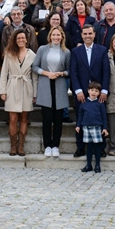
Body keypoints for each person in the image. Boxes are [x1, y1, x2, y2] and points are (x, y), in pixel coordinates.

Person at [70, 24, 110, 157]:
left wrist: (104, 90)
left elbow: (106, 72)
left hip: (98, 92)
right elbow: (73, 72)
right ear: (82, 35)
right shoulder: (75, 52)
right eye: (85, 34)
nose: (87, 36)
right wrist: (78, 90)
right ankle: (80, 147)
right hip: (81, 91)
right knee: (81, 119)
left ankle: (100, 148)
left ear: (94, 34)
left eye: (90, 33)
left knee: (99, 118)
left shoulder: (102, 50)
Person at [32, 26, 70, 158]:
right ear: (50, 36)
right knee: (47, 119)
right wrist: (47, 73)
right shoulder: (42, 49)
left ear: (62, 37)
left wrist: (61, 73)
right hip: (45, 85)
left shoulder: (66, 52)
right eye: (54, 35)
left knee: (58, 119)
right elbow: (34, 66)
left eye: (58, 35)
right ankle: (47, 145)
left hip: (59, 85)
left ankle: (56, 145)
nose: (56, 37)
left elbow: (70, 70)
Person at [0, 29, 37, 156]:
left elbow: (35, 76)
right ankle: (13, 146)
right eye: (18, 38)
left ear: (26, 40)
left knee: (24, 118)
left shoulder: (32, 55)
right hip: (12, 86)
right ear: (15, 40)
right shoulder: (9, 53)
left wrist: (35, 93)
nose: (21, 40)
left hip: (27, 87)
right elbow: (4, 73)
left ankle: (21, 145)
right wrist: (2, 91)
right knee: (13, 118)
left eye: (23, 38)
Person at [76, 82, 109, 173]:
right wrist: (78, 125)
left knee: (97, 147)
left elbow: (104, 116)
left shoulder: (100, 104)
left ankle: (97, 165)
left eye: (96, 91)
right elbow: (80, 116)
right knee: (89, 147)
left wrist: (105, 128)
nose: (93, 92)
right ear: (88, 91)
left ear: (99, 93)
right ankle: (88, 164)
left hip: (97, 127)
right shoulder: (84, 103)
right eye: (92, 90)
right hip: (86, 127)